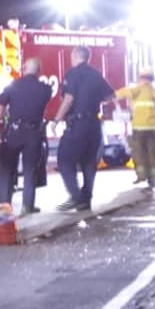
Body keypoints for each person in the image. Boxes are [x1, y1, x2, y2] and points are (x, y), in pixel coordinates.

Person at [52, 46, 114, 212]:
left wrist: (56, 119)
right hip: (94, 124)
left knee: (64, 160)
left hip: (78, 124)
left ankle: (76, 196)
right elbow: (110, 95)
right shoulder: (96, 74)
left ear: (75, 56)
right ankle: (86, 200)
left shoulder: (73, 73)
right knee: (88, 162)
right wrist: (92, 99)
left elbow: (69, 98)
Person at [0, 57, 53, 216]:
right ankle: (28, 206)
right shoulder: (45, 89)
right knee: (30, 170)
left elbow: (0, 106)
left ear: (24, 68)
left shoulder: (13, 86)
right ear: (39, 70)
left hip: (14, 132)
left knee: (7, 169)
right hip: (34, 133)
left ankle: (4, 205)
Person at [115, 68, 155, 188]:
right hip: (153, 128)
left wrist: (110, 95)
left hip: (139, 127)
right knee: (151, 152)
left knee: (139, 151)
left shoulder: (137, 90)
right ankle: (153, 178)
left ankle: (141, 175)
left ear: (141, 78)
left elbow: (123, 93)